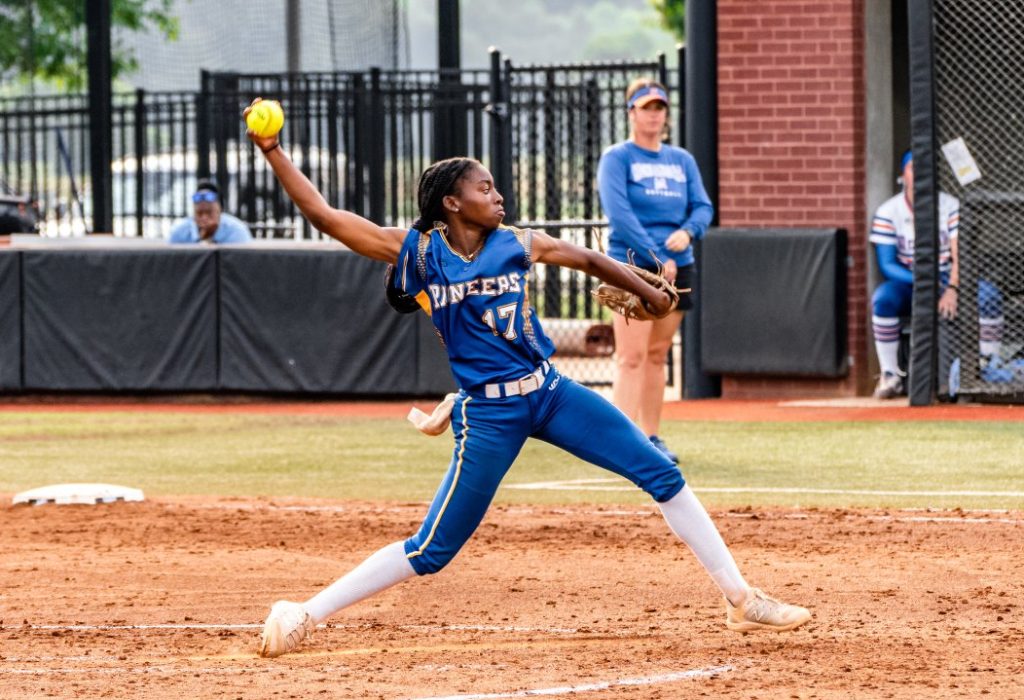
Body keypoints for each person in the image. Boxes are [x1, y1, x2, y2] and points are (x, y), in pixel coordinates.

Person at [242, 98, 811, 659]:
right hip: (490, 415)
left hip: (551, 392)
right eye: (484, 188)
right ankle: (304, 612)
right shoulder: (417, 251)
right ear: (451, 202)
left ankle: (741, 598)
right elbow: (324, 216)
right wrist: (272, 150)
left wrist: (648, 292)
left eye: (494, 187)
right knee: (433, 549)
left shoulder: (517, 242)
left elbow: (586, 258)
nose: (498, 195)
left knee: (661, 472)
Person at [597, 79, 713, 464]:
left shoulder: (681, 160)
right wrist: (656, 253)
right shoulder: (618, 157)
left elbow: (702, 206)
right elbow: (619, 213)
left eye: (659, 107)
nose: (654, 114)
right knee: (631, 356)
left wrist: (687, 232)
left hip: (677, 267)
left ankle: (650, 438)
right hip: (632, 264)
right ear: (631, 112)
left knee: (658, 353)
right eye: (645, 107)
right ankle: (619, 441)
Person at [870, 150, 1005, 398]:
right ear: (903, 174)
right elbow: (887, 265)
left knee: (989, 296)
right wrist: (928, 287)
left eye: (925, 167)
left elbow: (960, 254)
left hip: (949, 277)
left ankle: (988, 366)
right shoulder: (889, 211)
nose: (920, 173)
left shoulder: (950, 204)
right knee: (883, 299)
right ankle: (890, 375)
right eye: (913, 167)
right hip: (908, 280)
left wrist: (952, 288)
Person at [167, 180, 253, 244]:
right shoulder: (179, 231)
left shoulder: (236, 232)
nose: (204, 217)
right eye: (199, 213)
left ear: (220, 211)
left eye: (209, 212)